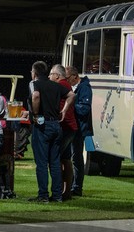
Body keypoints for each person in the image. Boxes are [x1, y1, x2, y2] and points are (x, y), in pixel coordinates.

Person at [28, 60, 71, 203]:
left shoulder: (34, 83)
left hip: (42, 124)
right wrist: (64, 110)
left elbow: (35, 96)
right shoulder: (56, 85)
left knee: (41, 162)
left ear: (34, 73)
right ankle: (57, 195)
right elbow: (71, 95)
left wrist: (35, 114)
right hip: (56, 125)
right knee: (55, 162)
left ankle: (43, 195)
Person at [51, 64, 79, 200]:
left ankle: (57, 191)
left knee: (55, 158)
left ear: (57, 76)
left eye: (51, 74)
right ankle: (67, 191)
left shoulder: (59, 86)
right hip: (71, 127)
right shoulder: (67, 85)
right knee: (66, 159)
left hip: (64, 127)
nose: (49, 77)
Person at [66, 65, 91, 197]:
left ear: (75, 76)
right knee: (74, 157)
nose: (66, 80)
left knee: (76, 158)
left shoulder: (84, 88)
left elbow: (85, 109)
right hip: (74, 126)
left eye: (67, 78)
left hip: (79, 128)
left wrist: (70, 106)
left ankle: (77, 187)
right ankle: (72, 185)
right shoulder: (76, 87)